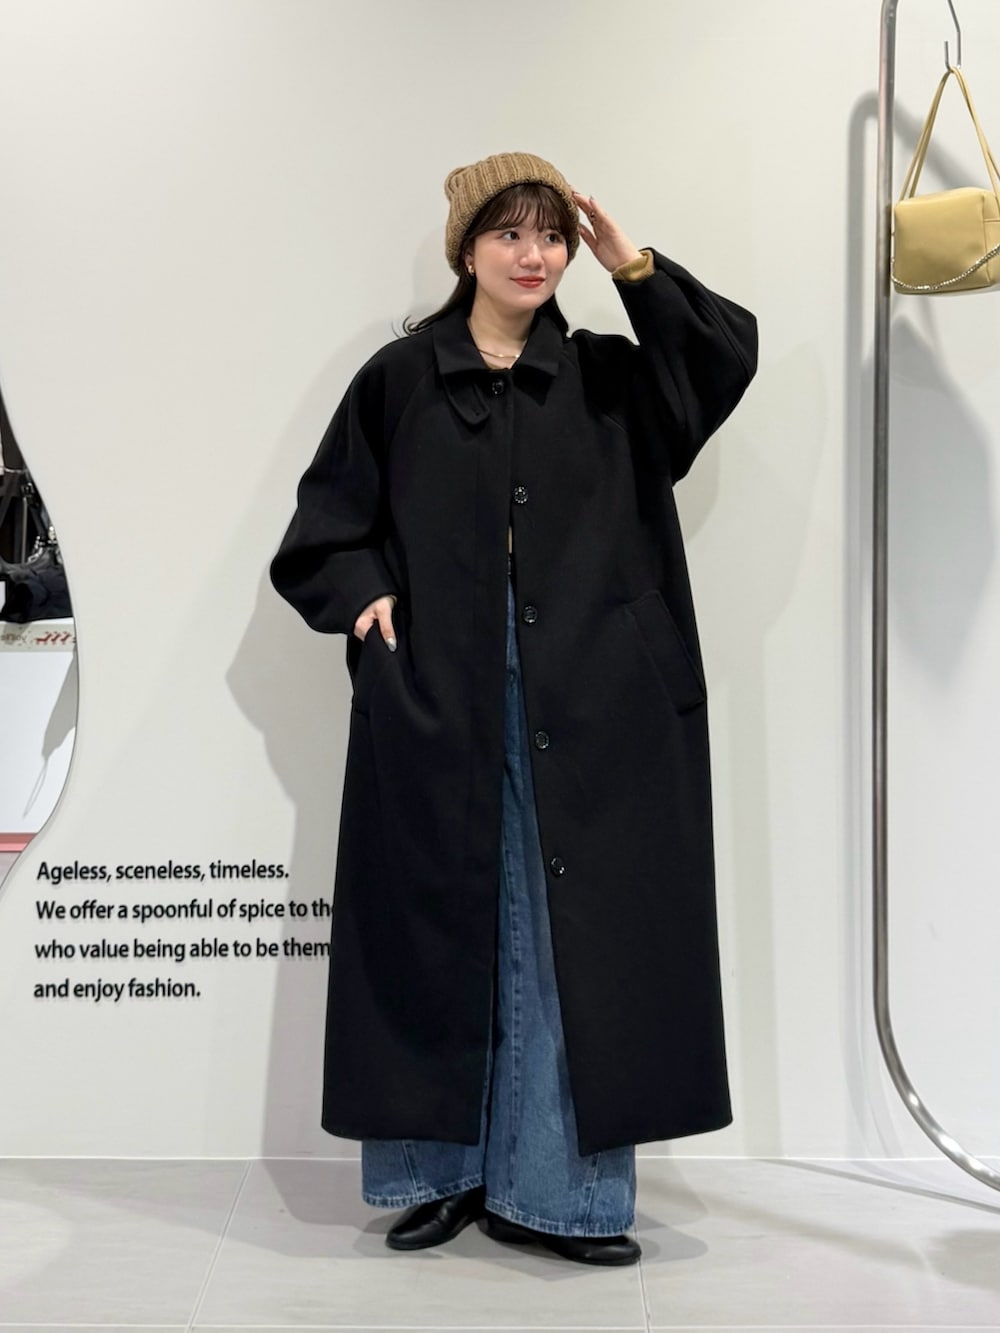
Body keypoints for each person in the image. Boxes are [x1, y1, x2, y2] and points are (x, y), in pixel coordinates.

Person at [270, 152, 757, 1266]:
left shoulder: (611, 378)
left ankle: (561, 1195)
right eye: (509, 234)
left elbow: (721, 363)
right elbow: (324, 528)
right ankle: (436, 1174)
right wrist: (364, 597)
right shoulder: (401, 379)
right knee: (435, 917)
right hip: (436, 685)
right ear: (467, 249)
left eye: (552, 236)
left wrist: (634, 266)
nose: (534, 256)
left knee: (567, 931)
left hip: (595, 690)